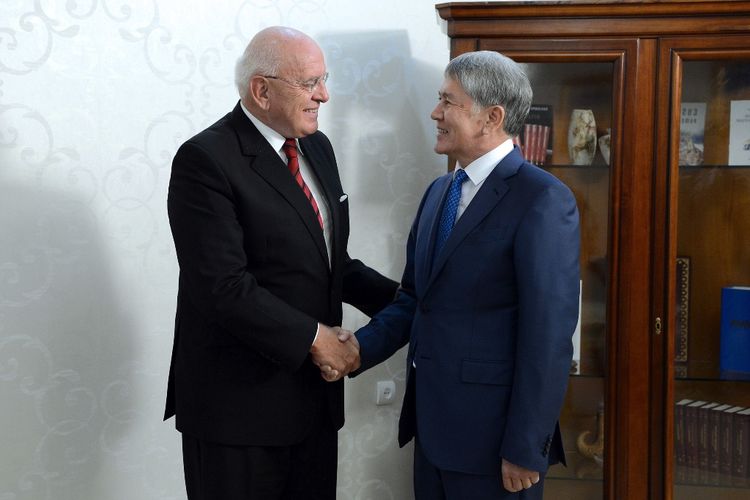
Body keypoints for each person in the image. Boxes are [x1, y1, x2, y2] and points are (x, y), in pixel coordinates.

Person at [164, 26, 398, 500]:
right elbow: (222, 286)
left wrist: (409, 299)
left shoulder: (318, 147)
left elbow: (331, 262)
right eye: (309, 83)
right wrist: (318, 340)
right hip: (238, 413)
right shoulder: (205, 159)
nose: (324, 95)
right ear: (261, 90)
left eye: (324, 80)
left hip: (313, 406)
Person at [347, 51, 581, 499]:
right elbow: (416, 299)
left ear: (492, 117)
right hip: (432, 435)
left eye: (447, 101)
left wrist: (526, 447)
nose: (435, 112)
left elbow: (549, 336)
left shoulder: (542, 198)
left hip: (498, 447)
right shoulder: (439, 192)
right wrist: (358, 349)